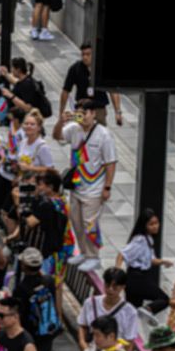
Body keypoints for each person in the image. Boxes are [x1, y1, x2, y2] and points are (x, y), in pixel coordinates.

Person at [54, 99, 117, 270]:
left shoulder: (103, 134)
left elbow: (110, 162)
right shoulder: (73, 129)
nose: (83, 117)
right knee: (76, 221)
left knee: (90, 223)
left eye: (85, 113)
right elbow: (57, 136)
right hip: (77, 185)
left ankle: (93, 256)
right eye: (79, 113)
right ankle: (83, 252)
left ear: (93, 114)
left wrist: (107, 187)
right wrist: (61, 121)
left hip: (94, 188)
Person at [116, 209, 173, 318]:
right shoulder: (140, 240)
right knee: (164, 299)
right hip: (138, 278)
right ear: (144, 225)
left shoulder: (148, 239)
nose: (155, 226)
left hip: (135, 280)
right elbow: (122, 254)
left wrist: (163, 262)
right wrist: (118, 272)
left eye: (156, 223)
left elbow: (151, 260)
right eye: (151, 224)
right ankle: (148, 310)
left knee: (131, 313)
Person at [76, 268, 139, 351]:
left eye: (115, 287)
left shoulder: (130, 312)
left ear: (123, 287)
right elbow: (83, 325)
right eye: (107, 285)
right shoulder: (90, 302)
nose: (110, 289)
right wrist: (83, 344)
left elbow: (129, 342)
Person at [60, 44, 123, 126]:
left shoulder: (102, 67)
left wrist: (117, 111)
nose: (85, 57)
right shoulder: (75, 69)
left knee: (99, 133)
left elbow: (113, 90)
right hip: (81, 108)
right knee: (79, 130)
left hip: (99, 109)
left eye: (88, 54)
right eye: (83, 54)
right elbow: (65, 91)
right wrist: (61, 113)